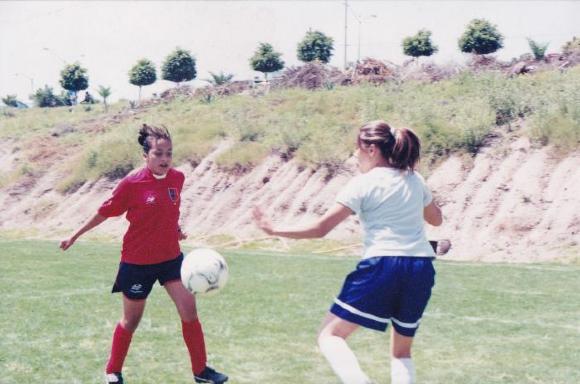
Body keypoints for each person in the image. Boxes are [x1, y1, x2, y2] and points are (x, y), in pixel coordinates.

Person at [253, 120, 443, 384]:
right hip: (421, 267)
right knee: (401, 352)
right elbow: (436, 220)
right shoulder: (415, 179)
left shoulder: (362, 184)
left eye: (357, 149)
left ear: (372, 150)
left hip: (383, 265)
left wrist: (274, 230)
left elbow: (321, 229)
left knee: (329, 336)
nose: (354, 155)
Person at [60, 124, 228, 384]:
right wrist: (75, 234)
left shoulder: (177, 179)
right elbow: (105, 211)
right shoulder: (132, 183)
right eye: (158, 154)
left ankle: (201, 372)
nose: (164, 159)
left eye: (169, 154)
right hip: (137, 263)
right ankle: (113, 371)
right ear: (146, 156)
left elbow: (168, 211)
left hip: (171, 260)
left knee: (190, 313)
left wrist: (176, 229)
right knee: (131, 321)